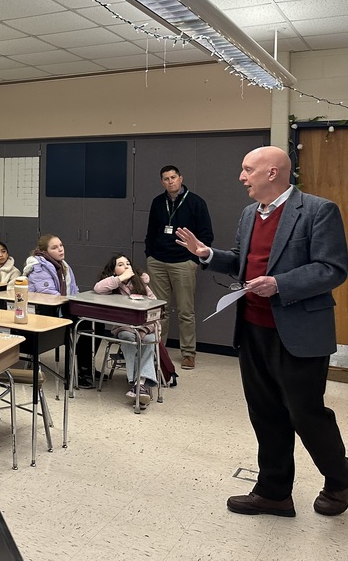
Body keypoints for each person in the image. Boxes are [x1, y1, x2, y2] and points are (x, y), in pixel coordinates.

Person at [175, 146, 348, 518]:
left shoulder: (318, 210)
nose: (242, 177)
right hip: (253, 328)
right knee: (265, 411)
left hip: (299, 333)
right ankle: (274, 492)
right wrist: (208, 253)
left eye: (248, 170)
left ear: (272, 173)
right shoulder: (249, 214)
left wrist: (279, 283)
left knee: (305, 414)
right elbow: (242, 262)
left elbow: (332, 268)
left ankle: (342, 477)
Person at [144, 164, 213, 371]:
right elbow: (151, 231)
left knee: (185, 311)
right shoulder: (158, 202)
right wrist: (150, 254)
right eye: (166, 178)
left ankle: (188, 353)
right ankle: (158, 350)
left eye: (173, 177)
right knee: (158, 310)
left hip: (183, 262)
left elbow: (207, 235)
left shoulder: (196, 202)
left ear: (181, 178)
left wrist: (194, 260)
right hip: (157, 262)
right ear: (161, 182)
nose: (170, 181)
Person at [24, 234, 96, 388]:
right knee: (84, 324)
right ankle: (80, 371)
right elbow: (48, 294)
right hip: (45, 313)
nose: (60, 249)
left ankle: (84, 367)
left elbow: (73, 290)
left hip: (62, 308)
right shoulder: (38, 267)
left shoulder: (63, 265)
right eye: (54, 247)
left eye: (61, 245)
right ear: (45, 251)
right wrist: (71, 303)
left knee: (96, 324)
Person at [93, 254, 159, 405]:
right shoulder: (113, 285)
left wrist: (144, 331)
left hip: (145, 329)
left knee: (148, 341)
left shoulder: (142, 284)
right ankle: (140, 384)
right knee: (128, 338)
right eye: (121, 264)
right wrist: (120, 279)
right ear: (114, 270)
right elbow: (98, 288)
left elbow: (155, 311)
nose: (126, 266)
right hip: (124, 328)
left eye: (128, 263)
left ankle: (139, 384)